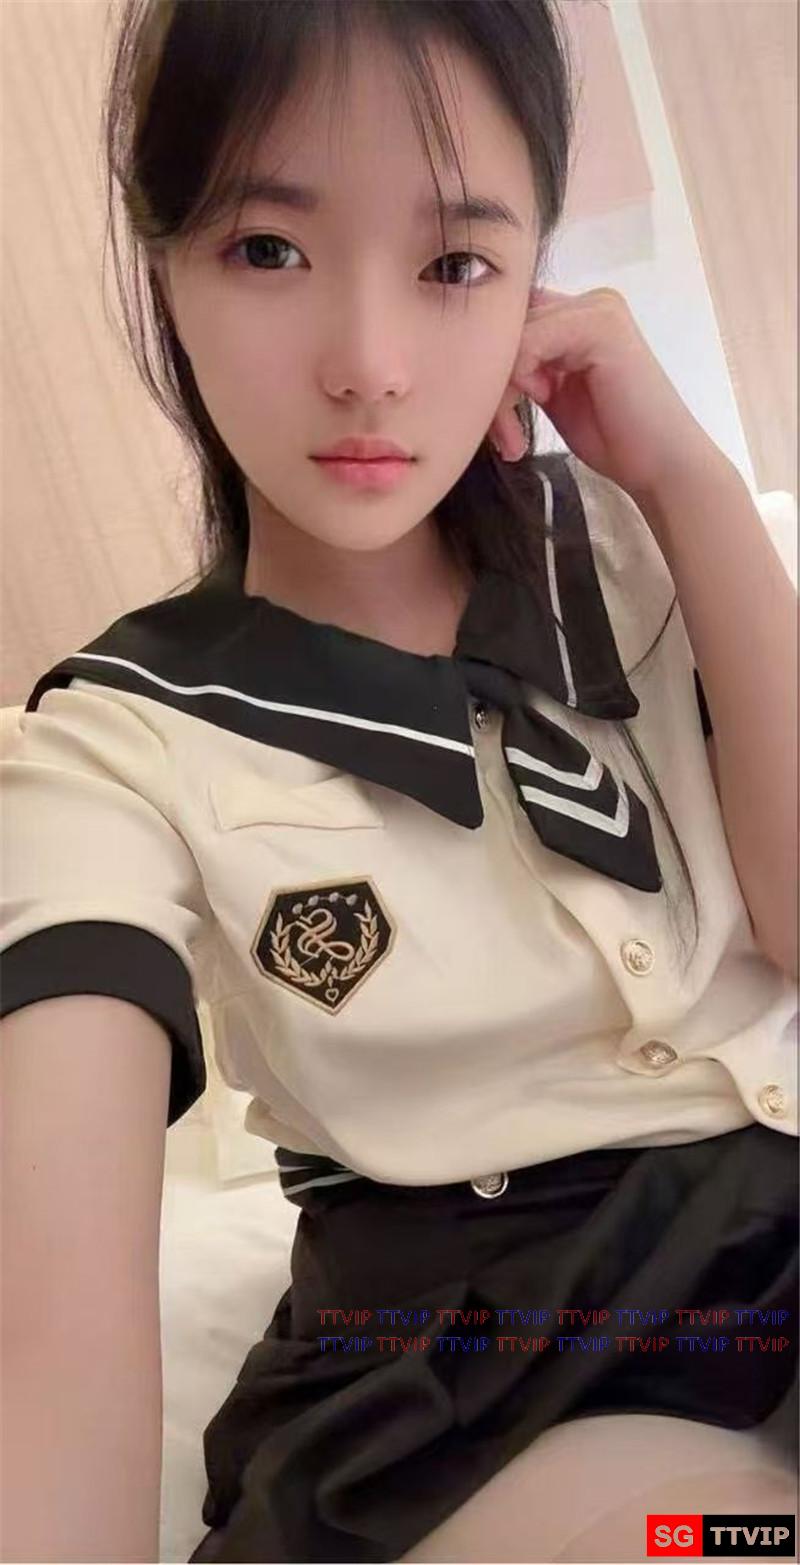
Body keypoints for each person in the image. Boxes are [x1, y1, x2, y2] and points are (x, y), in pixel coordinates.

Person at [1, 2, 797, 1561]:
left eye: (454, 265)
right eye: (270, 249)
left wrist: (692, 479)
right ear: (165, 260)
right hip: (477, 1367)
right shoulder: (116, 750)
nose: (368, 367)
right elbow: (52, 1346)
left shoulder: (633, 555)